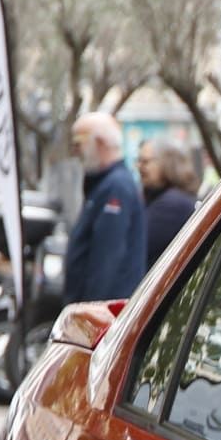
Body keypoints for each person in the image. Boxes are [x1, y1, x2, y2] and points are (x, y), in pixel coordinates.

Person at [61, 112, 149, 304]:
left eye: (78, 143)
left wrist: (89, 312)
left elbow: (107, 258)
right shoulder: (105, 184)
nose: (76, 151)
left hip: (104, 312)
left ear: (99, 143)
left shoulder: (116, 186)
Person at [137, 137, 199, 265]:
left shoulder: (173, 204)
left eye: (145, 162)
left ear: (167, 163)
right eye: (138, 161)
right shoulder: (165, 198)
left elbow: (136, 245)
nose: (139, 167)